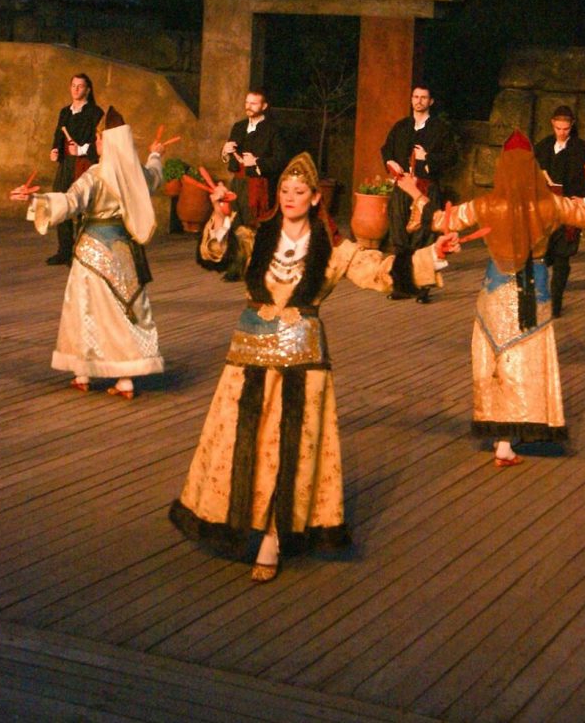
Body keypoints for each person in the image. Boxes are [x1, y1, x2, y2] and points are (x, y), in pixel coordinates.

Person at [169, 152, 456, 582]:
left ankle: (272, 537)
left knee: (289, 446)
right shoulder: (255, 237)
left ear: (315, 197)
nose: (289, 197)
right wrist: (219, 216)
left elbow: (378, 272)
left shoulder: (334, 248)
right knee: (241, 441)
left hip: (303, 360)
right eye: (284, 190)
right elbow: (216, 255)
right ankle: (234, 520)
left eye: (299, 191)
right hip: (248, 354)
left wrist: (431, 255)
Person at [427, 130, 585, 466]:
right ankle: (515, 437)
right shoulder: (550, 204)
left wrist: (416, 193)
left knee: (498, 361)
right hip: (535, 295)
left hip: (494, 295)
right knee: (526, 362)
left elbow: (442, 220)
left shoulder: (485, 204)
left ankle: (502, 443)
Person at [11, 107, 165, 400]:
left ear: (106, 142)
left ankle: (82, 373)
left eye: (99, 139)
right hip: (124, 253)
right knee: (124, 312)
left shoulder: (96, 175)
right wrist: (155, 153)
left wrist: (35, 199)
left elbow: (70, 202)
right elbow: (155, 176)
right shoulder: (136, 174)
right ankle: (125, 379)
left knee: (84, 312)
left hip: (92, 252)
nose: (96, 143)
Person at [381, 85, 459, 302]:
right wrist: (390, 162)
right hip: (402, 186)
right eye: (415, 97)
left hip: (426, 187)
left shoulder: (440, 129)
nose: (419, 101)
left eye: (423, 97)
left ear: (430, 101)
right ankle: (402, 286)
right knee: (399, 236)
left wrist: (428, 157)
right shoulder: (402, 126)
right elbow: (386, 149)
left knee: (423, 238)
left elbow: (452, 158)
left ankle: (423, 288)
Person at [532, 105, 585, 316]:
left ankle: (555, 305)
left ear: (572, 126)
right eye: (558, 128)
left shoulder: (583, 150)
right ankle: (537, 299)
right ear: (552, 124)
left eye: (566, 129)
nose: (561, 132)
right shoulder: (542, 147)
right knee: (538, 256)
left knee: (561, 258)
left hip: (569, 211)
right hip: (544, 212)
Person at [219, 88, 285, 281]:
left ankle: (257, 268)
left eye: (254, 103)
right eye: (247, 102)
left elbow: (280, 159)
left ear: (264, 106)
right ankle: (236, 266)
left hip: (258, 184)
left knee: (254, 225)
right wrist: (225, 151)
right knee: (234, 221)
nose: (248, 106)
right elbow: (230, 158)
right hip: (238, 182)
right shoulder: (238, 127)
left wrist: (257, 162)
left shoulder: (273, 130)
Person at [44, 72, 103, 265]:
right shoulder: (65, 112)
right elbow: (58, 135)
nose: (76, 89)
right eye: (73, 86)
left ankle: (81, 252)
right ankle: (64, 250)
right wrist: (55, 149)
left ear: (88, 89)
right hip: (66, 164)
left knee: (81, 205)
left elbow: (99, 140)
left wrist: (81, 149)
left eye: (80, 86)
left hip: (84, 164)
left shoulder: (95, 113)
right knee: (62, 202)